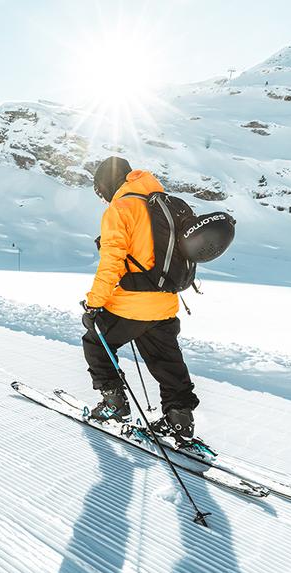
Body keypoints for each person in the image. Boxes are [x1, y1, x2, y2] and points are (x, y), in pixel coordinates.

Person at [81, 156, 199, 443]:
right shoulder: (165, 203)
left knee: (96, 342)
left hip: (130, 304)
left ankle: (114, 403)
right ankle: (180, 420)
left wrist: (94, 303)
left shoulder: (121, 208)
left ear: (108, 183)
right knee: (167, 362)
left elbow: (112, 261)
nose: (102, 197)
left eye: (100, 190)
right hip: (165, 303)